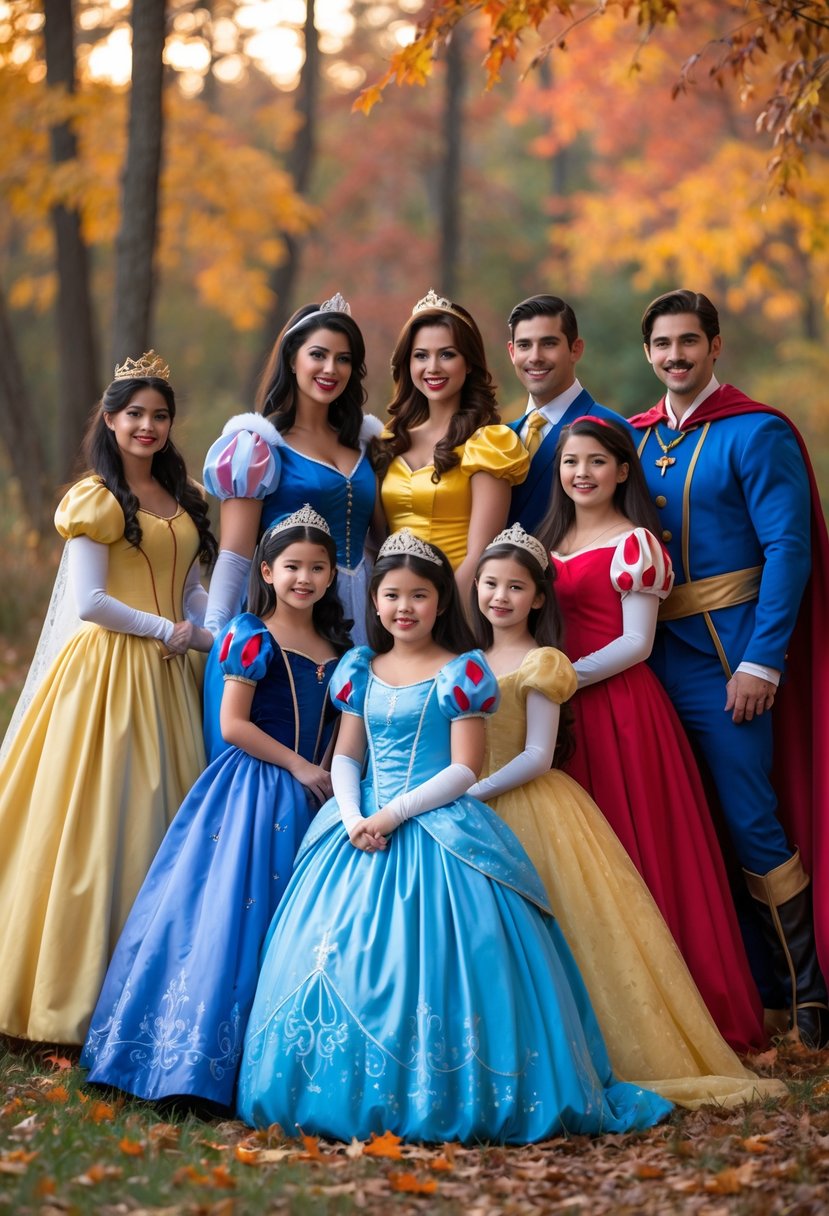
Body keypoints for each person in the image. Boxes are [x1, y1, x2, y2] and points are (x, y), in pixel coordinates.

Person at [235, 529, 672, 1144]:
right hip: (358, 824)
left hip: (437, 823)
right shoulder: (361, 667)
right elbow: (346, 754)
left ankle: (454, 1089)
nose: (404, 608)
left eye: (419, 595)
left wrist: (395, 815)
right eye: (392, 596)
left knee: (453, 963)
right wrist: (354, 811)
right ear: (375, 604)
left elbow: (466, 767)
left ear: (442, 603)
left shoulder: (462, 672)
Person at [468, 524, 786, 1107]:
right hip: (476, 805)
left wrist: (474, 789)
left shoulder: (543, 663)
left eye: (515, 586)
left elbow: (538, 752)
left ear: (539, 596)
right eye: (490, 585)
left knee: (575, 916)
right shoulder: (464, 664)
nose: (500, 597)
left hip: (532, 801)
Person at [81, 505, 349, 1105]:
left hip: (316, 796)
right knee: (231, 914)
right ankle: (190, 1064)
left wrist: (328, 767)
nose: (303, 578)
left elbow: (338, 726)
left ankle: (273, 1067)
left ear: (332, 576)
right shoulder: (252, 635)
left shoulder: (340, 648)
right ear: (268, 570)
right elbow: (232, 725)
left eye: (316, 568)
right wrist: (301, 765)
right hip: (253, 788)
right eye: (291, 566)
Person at [630, 288, 829, 1048]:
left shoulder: (754, 431)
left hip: (729, 660)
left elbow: (788, 549)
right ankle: (747, 994)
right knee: (692, 826)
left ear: (714, 346)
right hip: (649, 662)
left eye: (687, 342)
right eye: (660, 344)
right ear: (647, 352)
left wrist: (761, 662)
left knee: (751, 821)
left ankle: (805, 997)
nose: (673, 356)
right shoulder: (635, 439)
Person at [0, 353, 216, 1045]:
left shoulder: (181, 496)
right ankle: (66, 999)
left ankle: (150, 996)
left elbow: (189, 587)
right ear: (111, 420)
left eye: (158, 416)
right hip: (108, 674)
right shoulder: (96, 498)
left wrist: (213, 632)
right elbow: (92, 600)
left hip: (173, 675)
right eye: (134, 415)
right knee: (99, 823)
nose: (147, 426)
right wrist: (170, 631)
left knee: (164, 818)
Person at [536, 416, 766, 1053]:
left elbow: (637, 644)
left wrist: (560, 677)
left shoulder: (635, 542)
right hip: (554, 714)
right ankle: (590, 1019)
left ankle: (672, 1015)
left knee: (633, 852)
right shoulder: (545, 538)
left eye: (596, 462)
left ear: (621, 470)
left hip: (618, 710)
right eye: (569, 463)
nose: (581, 474)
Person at [202, 293, 382, 759]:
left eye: (344, 359)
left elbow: (374, 538)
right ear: (292, 357)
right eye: (318, 354)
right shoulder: (258, 445)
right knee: (294, 736)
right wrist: (215, 632)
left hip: (362, 608)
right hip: (290, 606)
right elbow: (237, 551)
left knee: (352, 747)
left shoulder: (365, 444)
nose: (331, 368)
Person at [376, 289, 529, 602]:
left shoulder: (488, 443)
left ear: (469, 363)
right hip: (392, 610)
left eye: (447, 354)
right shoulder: (389, 441)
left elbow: (481, 554)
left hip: (456, 606)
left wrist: (441, 616)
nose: (433, 367)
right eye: (421, 355)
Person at [504, 294, 630, 534]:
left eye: (549, 343)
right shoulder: (500, 438)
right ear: (512, 352)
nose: (535, 357)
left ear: (575, 349)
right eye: (524, 345)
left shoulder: (615, 430)